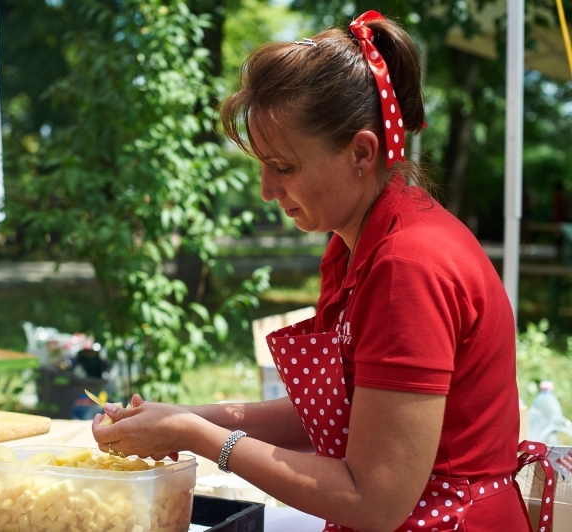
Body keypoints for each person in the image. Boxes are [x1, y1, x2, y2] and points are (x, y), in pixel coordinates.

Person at [93, 11, 547, 531]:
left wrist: (201, 438)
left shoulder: (408, 266)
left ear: (361, 152)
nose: (266, 189)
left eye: (283, 167)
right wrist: (182, 419)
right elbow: (342, 412)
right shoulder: (355, 242)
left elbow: (374, 501)